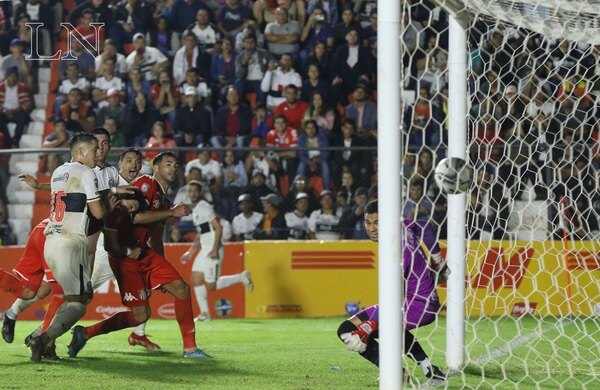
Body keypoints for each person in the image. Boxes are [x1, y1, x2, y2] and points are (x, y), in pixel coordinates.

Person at [67, 152, 210, 359]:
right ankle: (80, 332)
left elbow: (156, 237)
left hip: (143, 253)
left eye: (176, 165)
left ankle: (190, 349)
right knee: (138, 315)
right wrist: (172, 213)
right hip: (123, 256)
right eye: (168, 164)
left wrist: (161, 274)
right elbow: (133, 217)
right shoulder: (146, 184)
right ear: (156, 167)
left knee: (181, 289)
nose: (173, 168)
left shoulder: (164, 199)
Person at [337, 200, 446, 381]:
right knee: (347, 327)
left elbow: (395, 295)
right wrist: (437, 260)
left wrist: (370, 325)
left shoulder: (393, 251)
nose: (371, 228)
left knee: (350, 334)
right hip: (421, 301)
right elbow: (425, 227)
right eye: (368, 222)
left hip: (417, 307)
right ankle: (429, 369)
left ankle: (393, 372)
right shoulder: (402, 227)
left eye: (377, 222)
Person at [27, 133, 108, 362]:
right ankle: (41, 339)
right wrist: (112, 203)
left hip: (51, 241)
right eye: (94, 149)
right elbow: (98, 213)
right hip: (71, 242)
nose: (98, 153)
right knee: (80, 302)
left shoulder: (58, 171)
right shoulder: (86, 172)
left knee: (68, 297)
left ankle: (47, 344)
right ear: (81, 152)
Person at [180, 181, 253, 321]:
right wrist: (191, 252)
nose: (192, 193)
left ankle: (242, 277)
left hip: (212, 249)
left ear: (200, 193)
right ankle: (205, 314)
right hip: (204, 250)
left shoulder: (204, 207)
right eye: (190, 191)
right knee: (195, 279)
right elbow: (201, 233)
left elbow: (219, 227)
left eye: (195, 191)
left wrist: (215, 249)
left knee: (211, 286)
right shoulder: (196, 210)